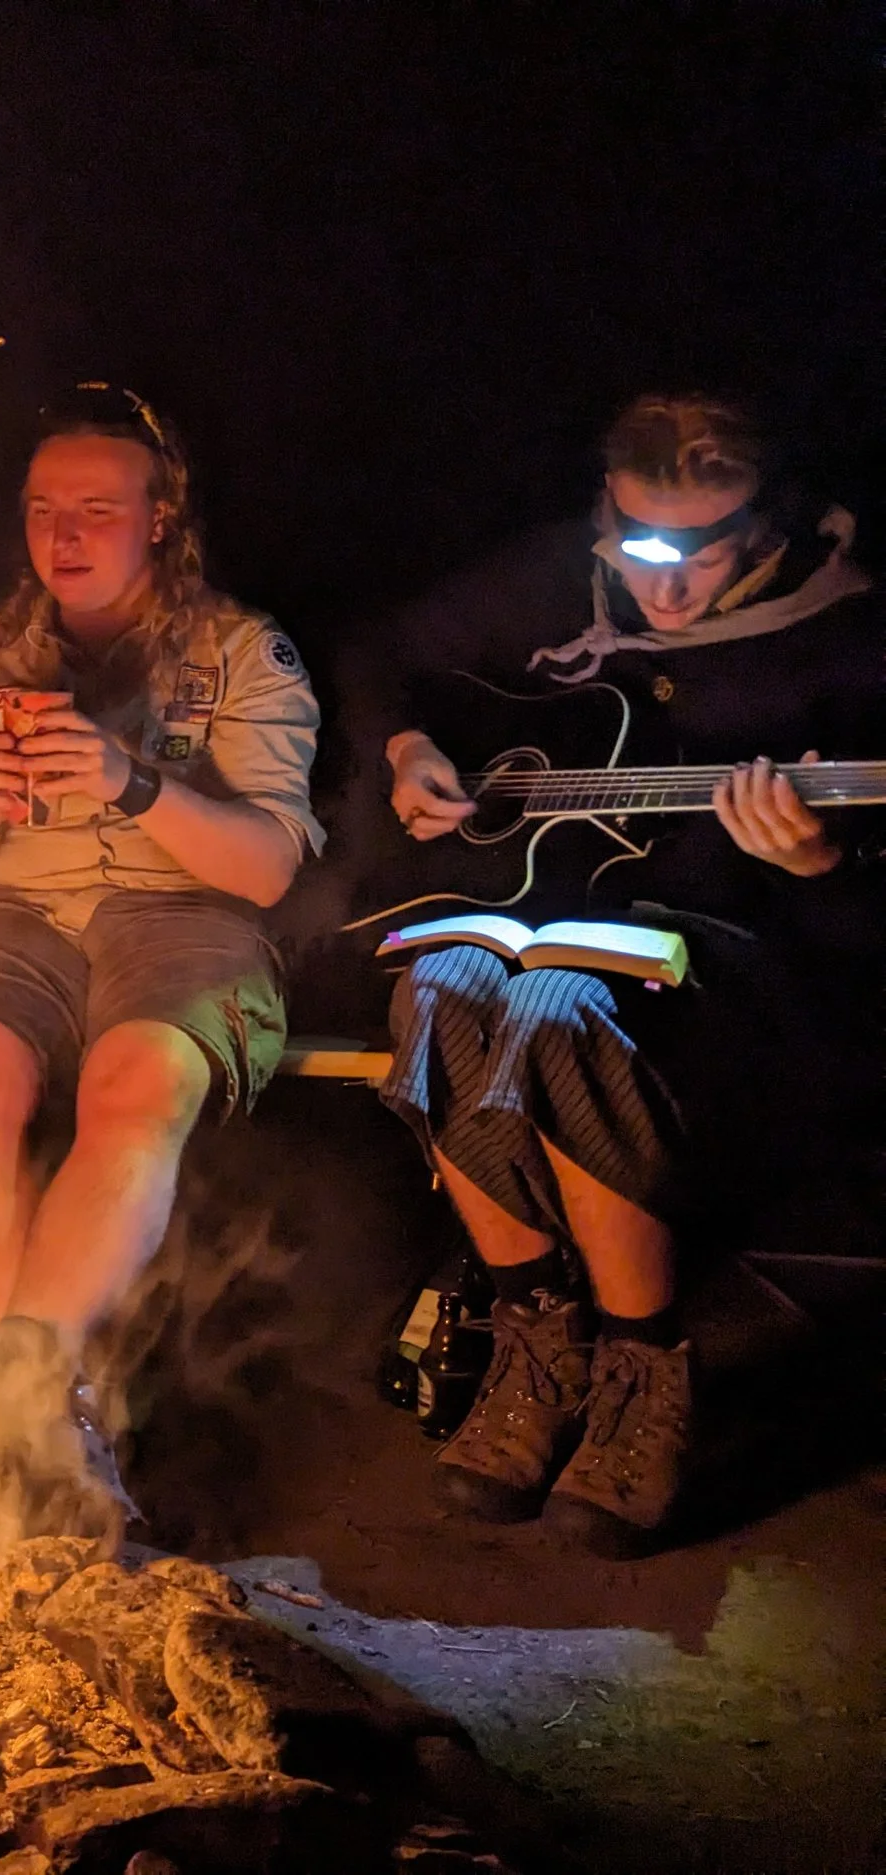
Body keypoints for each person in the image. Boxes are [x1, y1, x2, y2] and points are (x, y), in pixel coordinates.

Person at [354, 392, 884, 1555]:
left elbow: (862, 943)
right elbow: (392, 656)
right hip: (550, 906)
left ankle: (642, 1367)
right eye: (643, 544)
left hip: (749, 968)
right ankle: (536, 1341)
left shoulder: (850, 642)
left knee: (557, 1007)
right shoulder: (558, 576)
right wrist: (412, 749)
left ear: (772, 523)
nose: (667, 588)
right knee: (434, 986)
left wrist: (820, 861)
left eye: (705, 551)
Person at [0, 384, 322, 1490]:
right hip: (18, 915)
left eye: (96, 508)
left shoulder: (237, 653)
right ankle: (45, 1418)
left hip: (180, 914)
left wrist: (134, 784)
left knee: (136, 1076)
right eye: (43, 508)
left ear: (159, 519)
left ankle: (16, 1407)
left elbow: (267, 868)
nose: (64, 535)